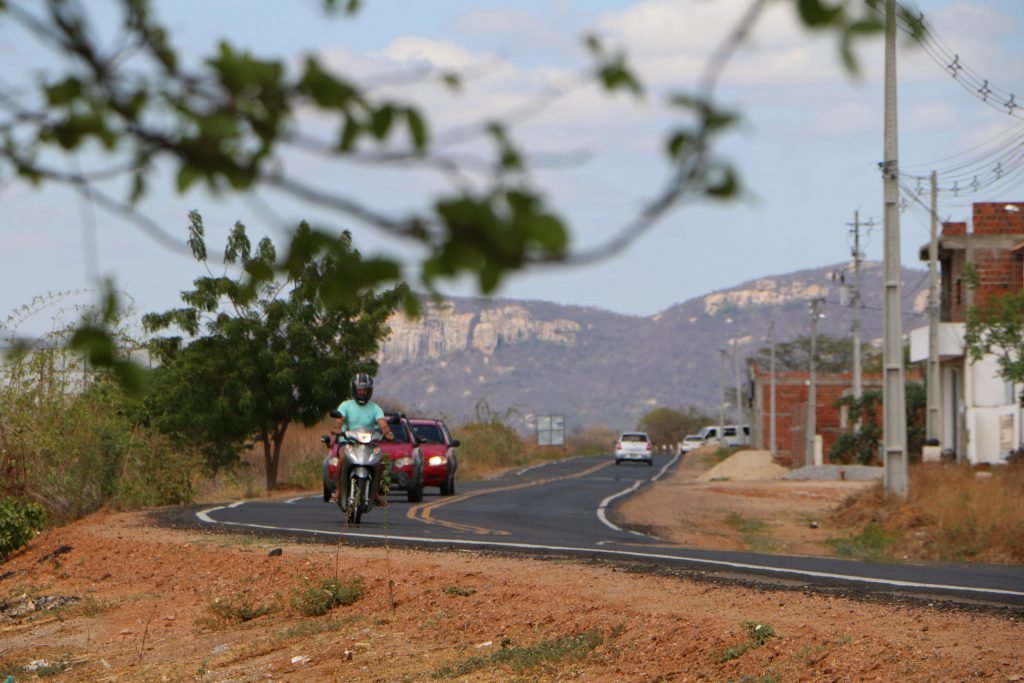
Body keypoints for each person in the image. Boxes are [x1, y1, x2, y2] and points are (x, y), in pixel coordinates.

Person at [330, 372, 394, 506]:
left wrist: (387, 432)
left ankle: (375, 493)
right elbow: (339, 419)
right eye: (359, 390)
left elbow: (382, 422)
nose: (362, 393)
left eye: (365, 390)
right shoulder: (346, 405)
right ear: (354, 390)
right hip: (348, 442)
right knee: (342, 458)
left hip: (368, 444)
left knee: (380, 462)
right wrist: (337, 429)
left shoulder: (375, 408)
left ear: (370, 391)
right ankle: (339, 491)